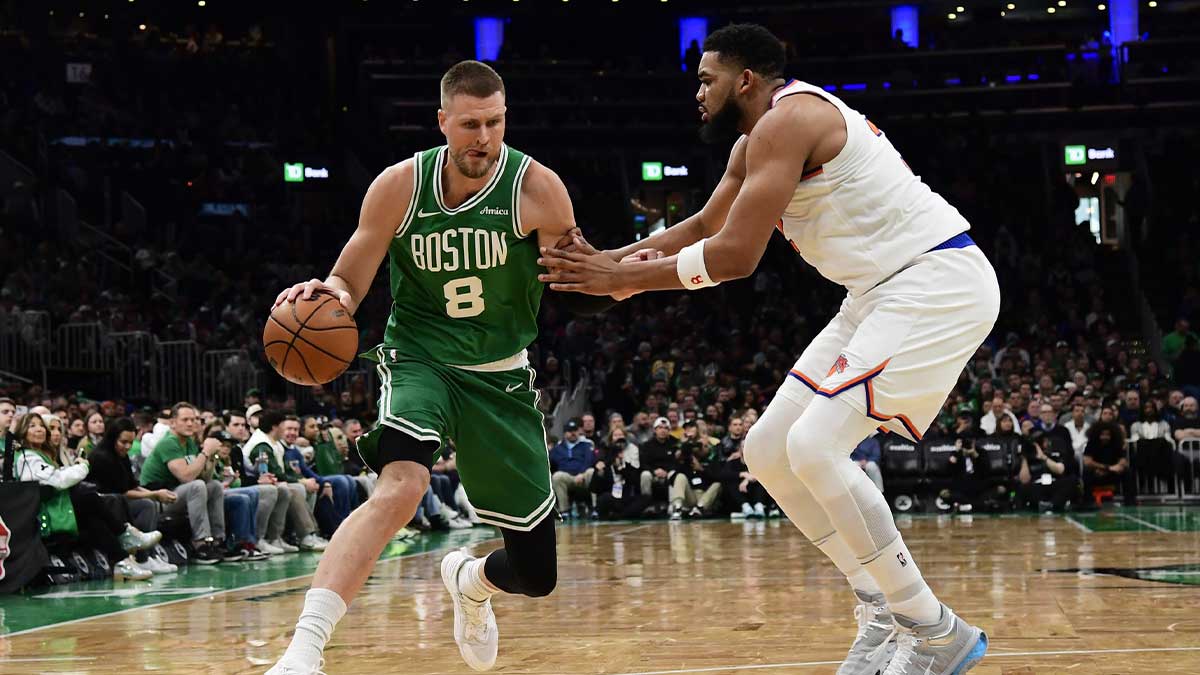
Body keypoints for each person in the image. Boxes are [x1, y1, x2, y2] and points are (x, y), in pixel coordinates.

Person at [539, 24, 994, 674]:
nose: (697, 92)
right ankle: (879, 605)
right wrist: (603, 264)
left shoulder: (791, 119)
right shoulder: (754, 142)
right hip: (878, 291)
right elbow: (702, 226)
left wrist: (627, 279)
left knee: (814, 446)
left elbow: (733, 256)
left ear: (744, 80)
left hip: (936, 279)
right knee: (769, 449)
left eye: (707, 79)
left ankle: (931, 626)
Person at [266, 60, 632, 674]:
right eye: (469, 125)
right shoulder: (399, 186)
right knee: (402, 486)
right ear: (443, 122)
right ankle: (305, 650)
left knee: (537, 575)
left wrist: (626, 275)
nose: (483, 138)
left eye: (493, 123)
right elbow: (352, 274)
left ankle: (471, 582)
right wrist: (331, 296)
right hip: (421, 359)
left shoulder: (536, 188)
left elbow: (579, 272)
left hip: (501, 374)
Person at [13, 414, 159, 580]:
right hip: (45, 514)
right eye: (32, 426)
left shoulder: (40, 454)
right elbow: (58, 480)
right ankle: (125, 534)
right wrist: (83, 466)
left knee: (93, 520)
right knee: (89, 497)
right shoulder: (27, 457)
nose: (39, 429)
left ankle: (122, 561)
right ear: (22, 431)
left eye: (41, 425)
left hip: (58, 507)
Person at [86, 417, 179, 573]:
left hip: (120, 500)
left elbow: (132, 485)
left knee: (150, 502)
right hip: (107, 504)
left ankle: (148, 555)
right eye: (123, 442)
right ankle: (142, 557)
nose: (128, 447)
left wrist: (154, 494)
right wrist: (154, 494)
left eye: (131, 442)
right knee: (147, 505)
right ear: (113, 438)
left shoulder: (122, 456)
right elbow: (121, 491)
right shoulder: (101, 457)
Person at [138, 402, 227, 565]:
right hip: (157, 499)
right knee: (196, 486)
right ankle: (200, 544)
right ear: (172, 422)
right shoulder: (169, 443)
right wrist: (205, 451)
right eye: (185, 419)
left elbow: (205, 478)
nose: (190, 423)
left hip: (175, 493)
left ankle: (218, 540)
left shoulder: (189, 443)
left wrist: (212, 457)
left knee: (214, 486)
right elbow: (186, 477)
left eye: (193, 420)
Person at [1015, 431, 1078, 512]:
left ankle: (1052, 504)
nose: (1046, 442)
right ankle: (1043, 504)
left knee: (1072, 480)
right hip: (1037, 486)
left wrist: (1043, 457)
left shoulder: (1054, 454)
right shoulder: (1028, 457)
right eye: (1043, 441)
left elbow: (1060, 470)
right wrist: (1024, 458)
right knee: (1022, 487)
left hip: (1054, 484)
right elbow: (1024, 480)